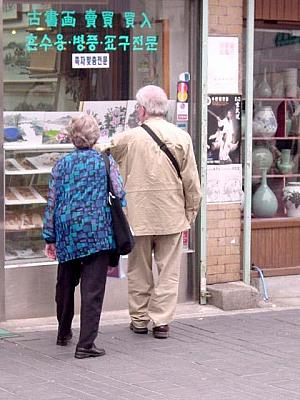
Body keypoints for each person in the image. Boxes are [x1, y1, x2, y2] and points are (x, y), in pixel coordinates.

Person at [102, 85, 201, 339]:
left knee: (139, 270)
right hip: (172, 215)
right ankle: (161, 322)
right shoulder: (182, 138)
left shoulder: (129, 138)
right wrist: (190, 213)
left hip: (137, 216)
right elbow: (192, 183)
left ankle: (139, 319)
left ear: (142, 110)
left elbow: (102, 151)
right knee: (169, 272)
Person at [42, 114, 126, 359]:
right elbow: (119, 193)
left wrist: (50, 236)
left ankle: (63, 332)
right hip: (97, 231)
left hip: (68, 231)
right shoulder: (104, 161)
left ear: (71, 136)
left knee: (65, 284)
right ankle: (86, 344)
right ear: (95, 136)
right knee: (92, 289)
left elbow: (52, 202)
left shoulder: (62, 164)